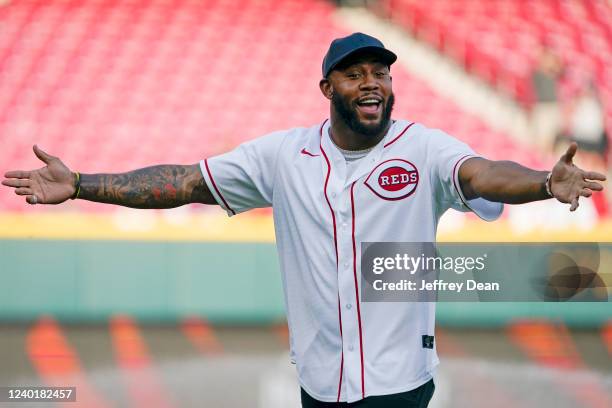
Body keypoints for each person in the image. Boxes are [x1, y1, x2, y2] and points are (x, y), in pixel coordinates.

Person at [1, 33, 607, 407]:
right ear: (327, 86)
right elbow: (183, 182)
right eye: (356, 72)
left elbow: (480, 173)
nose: (372, 81)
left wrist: (541, 183)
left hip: (401, 384)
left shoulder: (424, 147)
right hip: (319, 386)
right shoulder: (281, 155)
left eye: (382, 71)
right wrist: (81, 183)